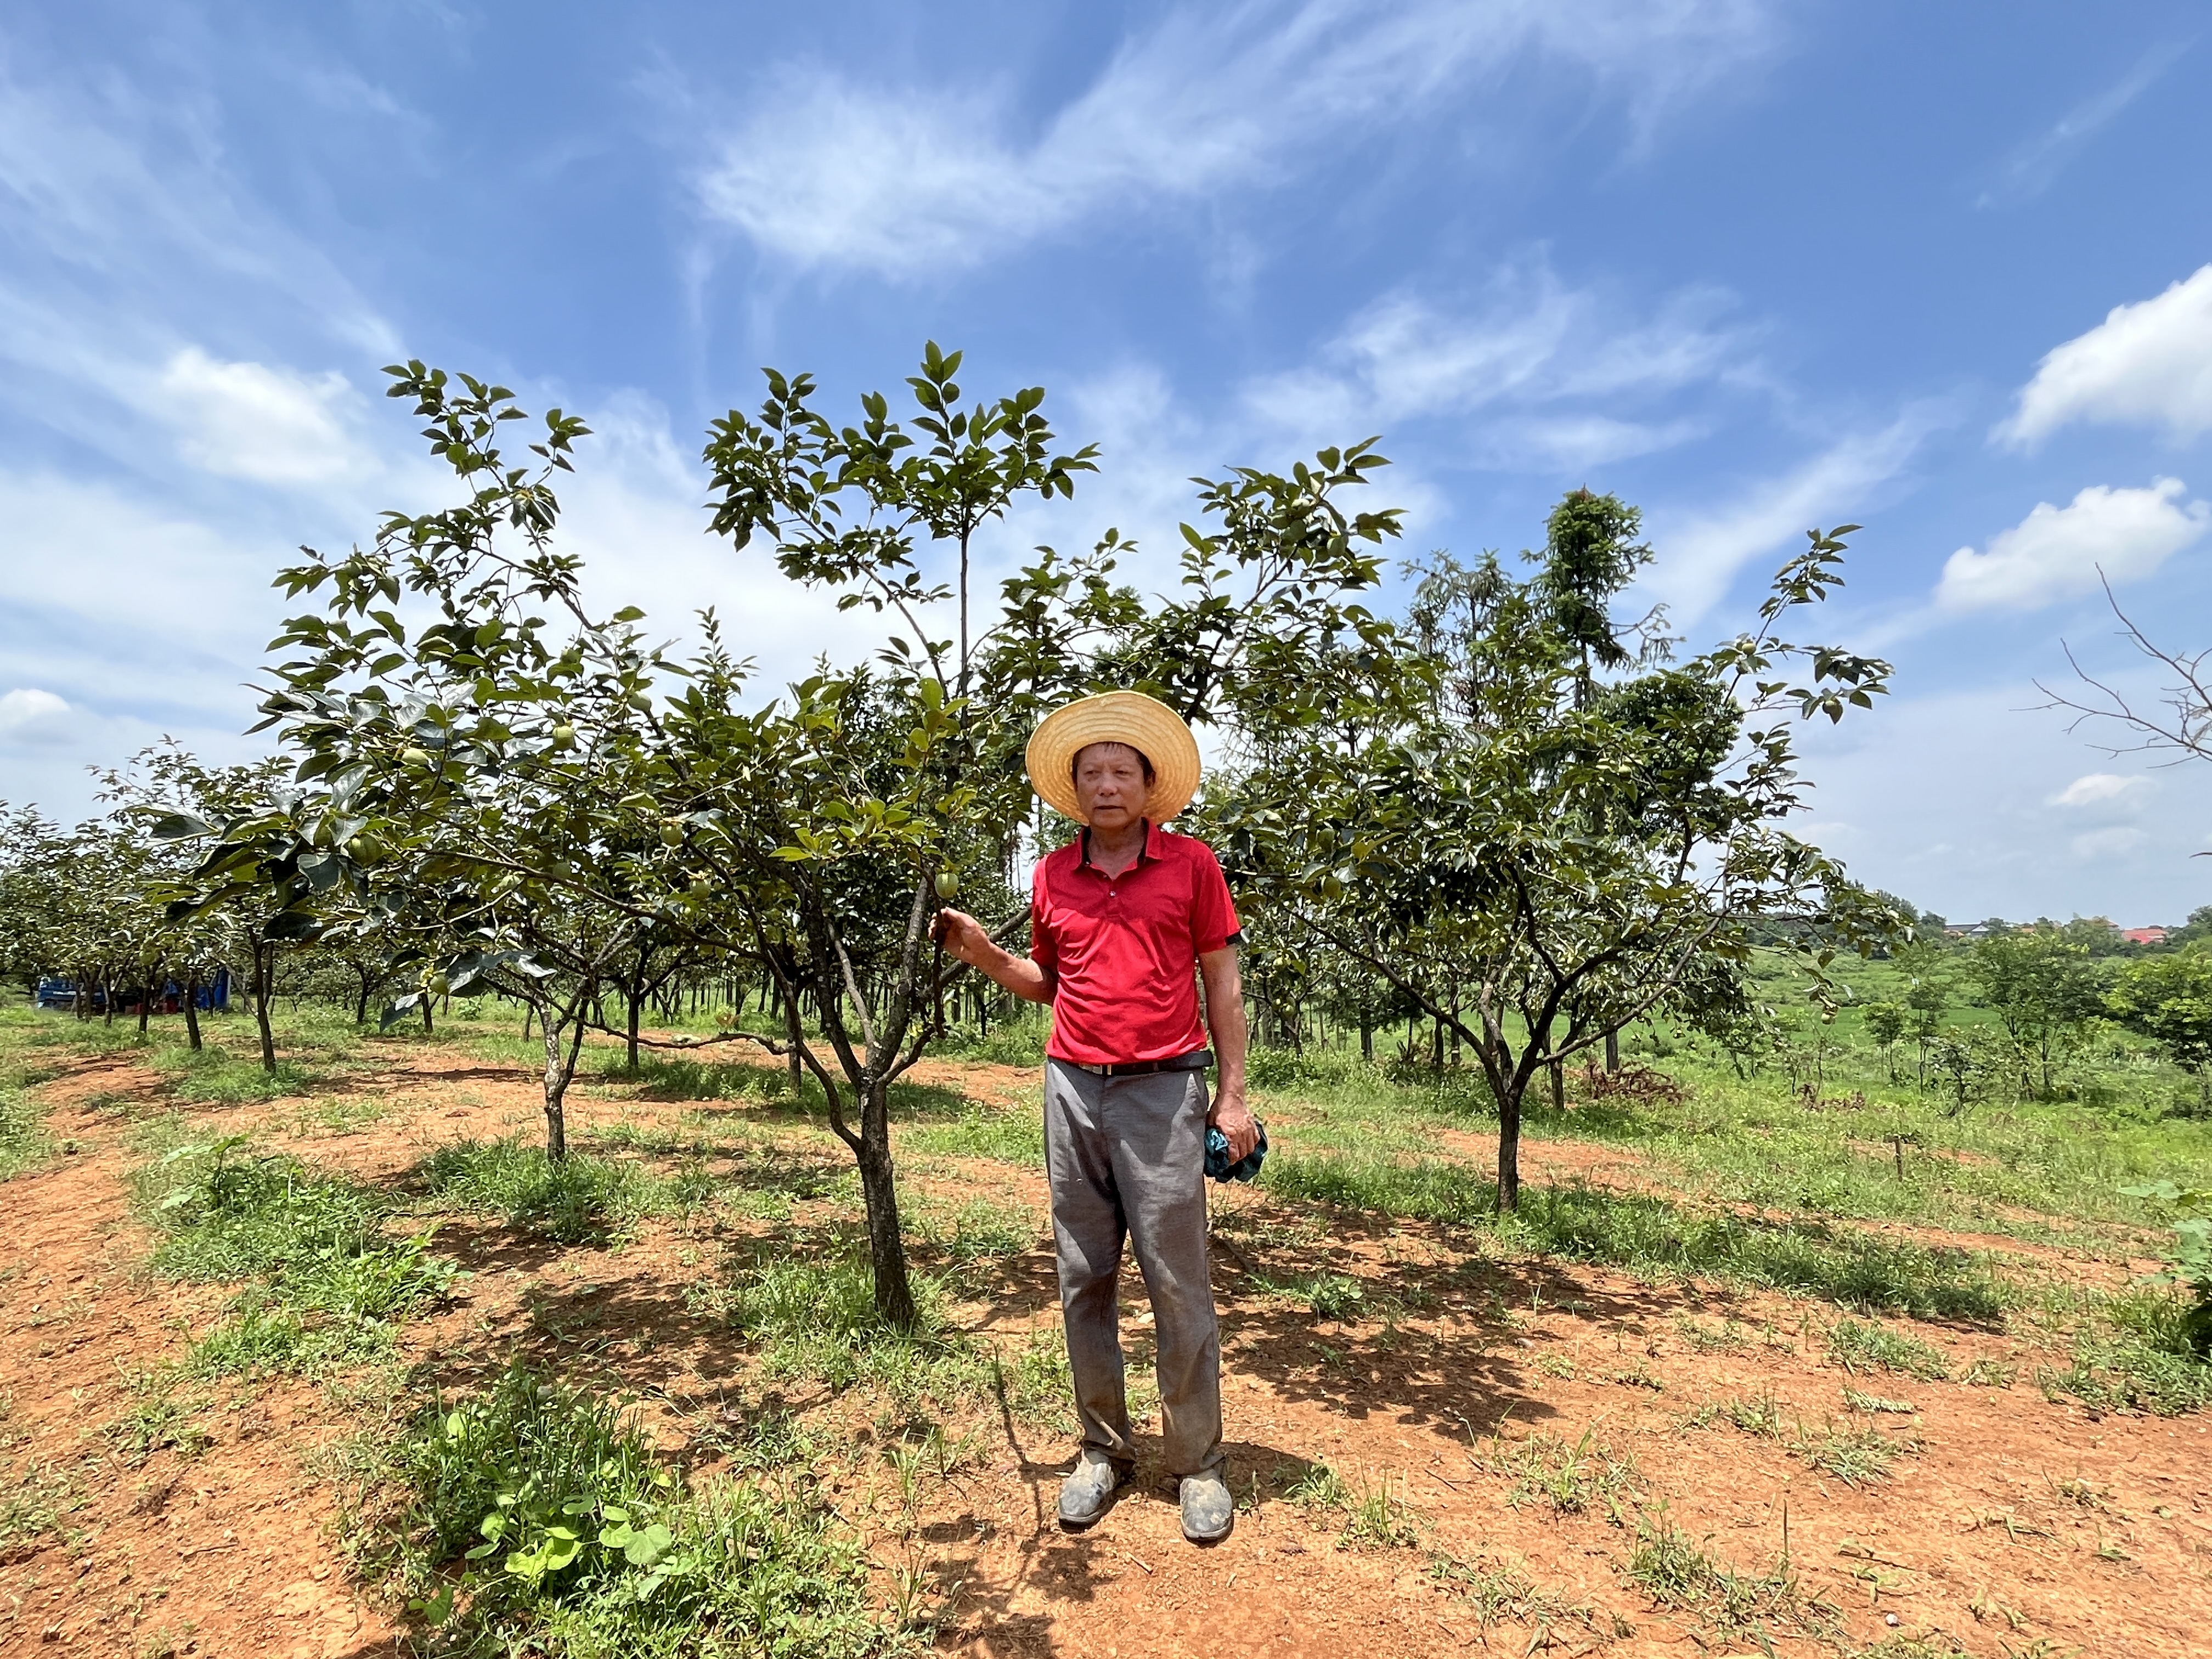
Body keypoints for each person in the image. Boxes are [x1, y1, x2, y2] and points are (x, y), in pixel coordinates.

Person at [934, 690, 1260, 1544]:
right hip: (1073, 1087)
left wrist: (1231, 1094)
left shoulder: (1193, 865)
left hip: (1164, 1089)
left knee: (1177, 1279)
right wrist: (983, 954)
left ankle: (1198, 1462)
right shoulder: (1050, 874)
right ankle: (1101, 1450)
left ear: (1149, 785)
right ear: (1074, 790)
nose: (1107, 784)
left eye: (1122, 770)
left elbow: (1221, 980)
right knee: (1084, 1276)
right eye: (1093, 773)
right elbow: (1050, 982)